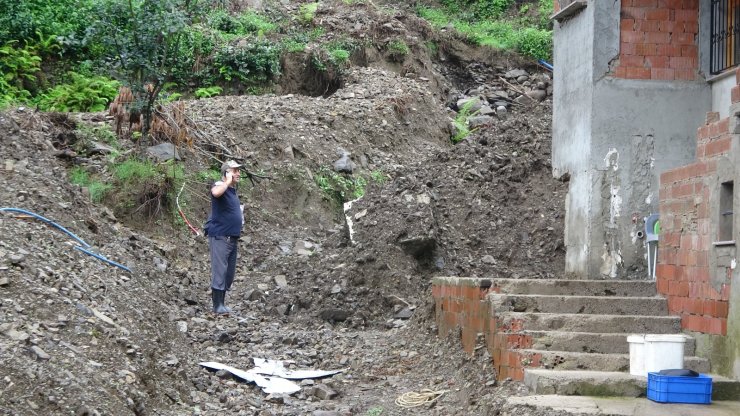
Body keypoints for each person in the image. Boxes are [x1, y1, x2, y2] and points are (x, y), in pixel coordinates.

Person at [204, 160, 244, 315]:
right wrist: (227, 181)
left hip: (232, 238)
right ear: (226, 173)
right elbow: (215, 193)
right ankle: (217, 305)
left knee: (229, 273)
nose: (238, 173)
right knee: (220, 270)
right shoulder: (220, 185)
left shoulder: (232, 191)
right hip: (220, 236)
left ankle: (222, 303)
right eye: (234, 171)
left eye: (238, 171)